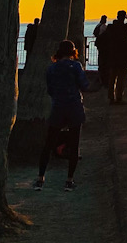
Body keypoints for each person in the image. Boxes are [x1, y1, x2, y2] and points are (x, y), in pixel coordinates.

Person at [34, 40, 90, 192]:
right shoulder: (76, 66)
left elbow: (50, 90)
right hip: (74, 108)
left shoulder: (51, 68)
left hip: (58, 107)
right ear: (73, 52)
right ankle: (69, 180)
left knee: (49, 143)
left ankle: (40, 178)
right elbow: (84, 85)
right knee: (74, 144)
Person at [102, 11, 127, 104]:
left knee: (112, 77)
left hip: (113, 55)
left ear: (117, 17)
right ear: (124, 17)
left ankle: (111, 97)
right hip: (124, 56)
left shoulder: (111, 27)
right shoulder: (126, 27)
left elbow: (105, 38)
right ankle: (119, 97)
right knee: (121, 78)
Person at [92, 14, 109, 84]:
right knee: (103, 60)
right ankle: (103, 78)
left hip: (99, 44)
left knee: (100, 59)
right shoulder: (104, 26)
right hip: (103, 45)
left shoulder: (98, 25)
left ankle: (100, 75)